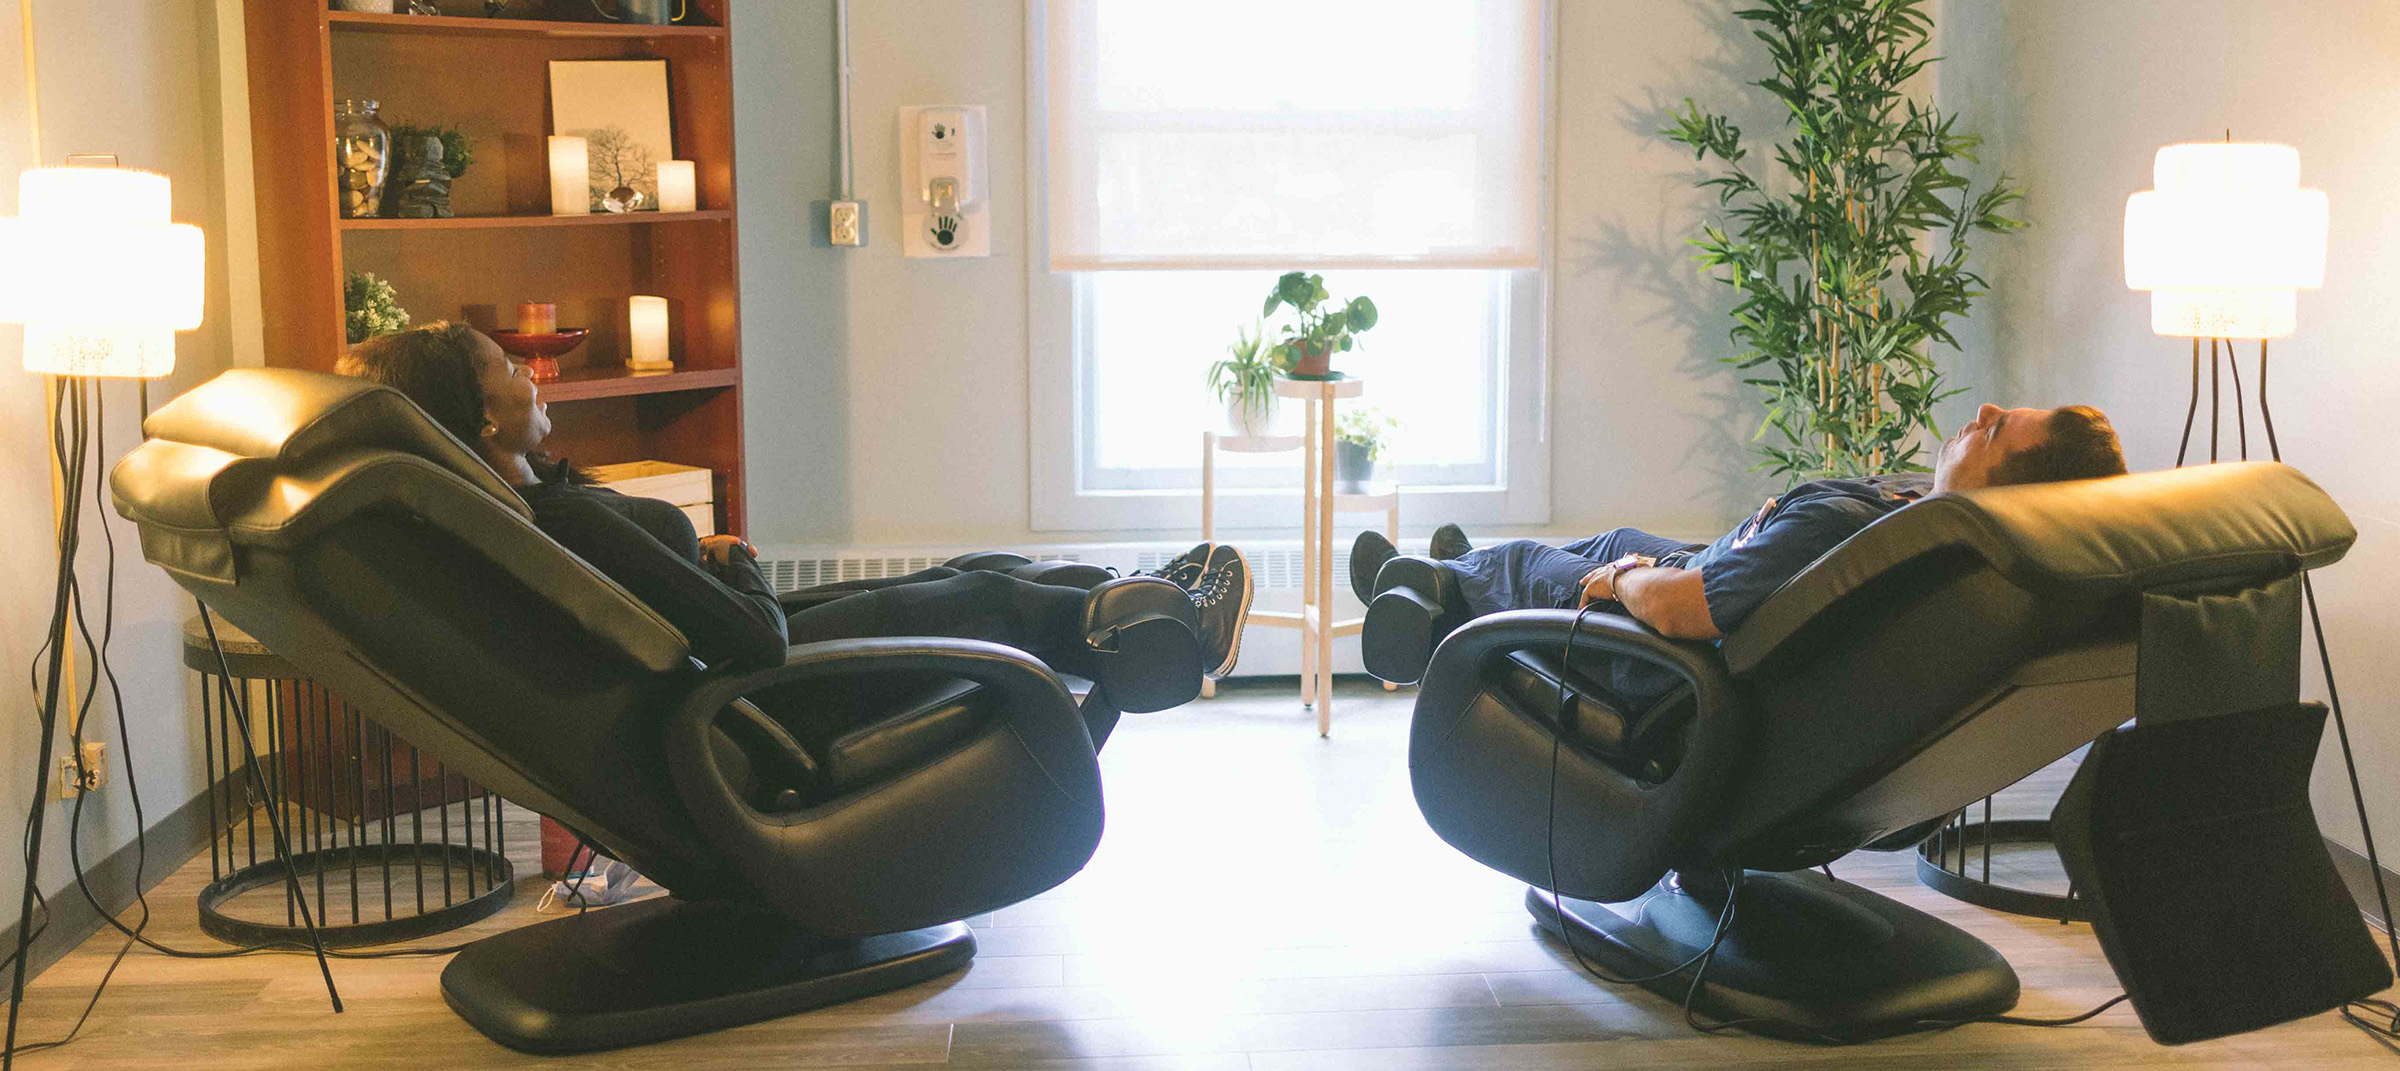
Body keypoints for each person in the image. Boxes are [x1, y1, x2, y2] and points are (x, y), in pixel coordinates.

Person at [339, 323, 1251, 744]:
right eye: (506, 367)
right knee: (984, 598)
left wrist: (703, 562)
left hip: (728, 686)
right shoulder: (561, 517)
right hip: (754, 704)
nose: (532, 373)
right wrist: (736, 564)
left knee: (980, 567)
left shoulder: (533, 514)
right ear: (481, 419)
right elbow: (752, 636)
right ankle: (1179, 634)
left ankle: (1150, 594)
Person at [1352, 403, 2128, 683]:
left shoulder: (1865, 534)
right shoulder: (1932, 531)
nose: (1983, 407)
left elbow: (1689, 610)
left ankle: (1438, 590)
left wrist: (1624, 580)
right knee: (1615, 535)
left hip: (1672, 655)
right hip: (1715, 566)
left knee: (1540, 564)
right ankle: (1452, 569)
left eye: (1995, 430)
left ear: (2003, 490)